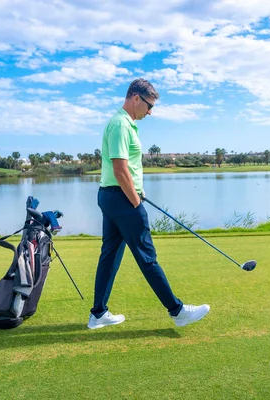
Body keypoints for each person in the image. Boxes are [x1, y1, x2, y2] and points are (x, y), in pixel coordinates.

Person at [88, 78, 210, 329]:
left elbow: (124, 170)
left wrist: (135, 192)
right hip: (122, 199)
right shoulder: (121, 124)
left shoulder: (124, 124)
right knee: (146, 256)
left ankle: (98, 314)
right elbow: (120, 169)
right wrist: (134, 199)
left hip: (112, 196)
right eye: (149, 105)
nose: (150, 112)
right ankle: (177, 311)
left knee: (110, 256)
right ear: (135, 98)